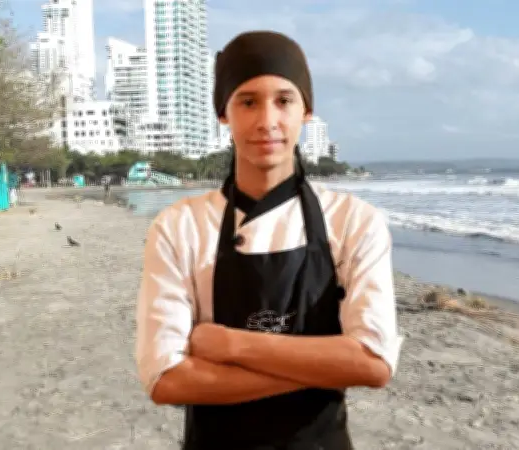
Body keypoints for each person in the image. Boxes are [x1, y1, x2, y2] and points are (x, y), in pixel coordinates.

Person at [136, 30, 402, 450]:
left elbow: (373, 365)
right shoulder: (179, 226)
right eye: (247, 102)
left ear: (306, 111)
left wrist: (230, 344)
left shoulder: (354, 221)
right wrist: (326, 366)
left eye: (283, 100)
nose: (267, 121)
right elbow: (165, 380)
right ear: (223, 114)